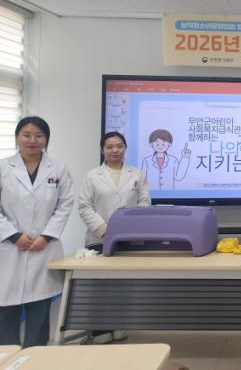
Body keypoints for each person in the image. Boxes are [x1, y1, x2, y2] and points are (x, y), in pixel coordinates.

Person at [0, 116, 75, 347]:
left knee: (40, 310)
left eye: (39, 135)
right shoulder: (3, 167)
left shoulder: (58, 168)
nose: (32, 140)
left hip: (44, 248)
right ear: (17, 137)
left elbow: (65, 205)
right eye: (26, 135)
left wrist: (46, 236)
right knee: (6, 310)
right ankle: (7, 357)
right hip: (9, 248)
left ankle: (35, 357)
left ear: (46, 139)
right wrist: (14, 235)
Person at [78, 131, 151, 344]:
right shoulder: (92, 176)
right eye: (109, 147)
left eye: (119, 146)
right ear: (103, 150)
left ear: (125, 148)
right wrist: (105, 229)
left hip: (128, 238)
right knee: (100, 285)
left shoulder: (136, 173)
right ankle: (99, 329)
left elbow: (145, 203)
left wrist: (126, 227)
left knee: (123, 283)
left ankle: (119, 323)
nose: (114, 150)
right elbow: (84, 207)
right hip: (99, 238)